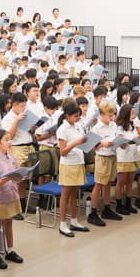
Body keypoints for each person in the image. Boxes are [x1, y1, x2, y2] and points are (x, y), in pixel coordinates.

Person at [0, 129, 24, 267]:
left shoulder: (12, 157)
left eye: (10, 139)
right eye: (6, 140)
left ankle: (10, 250)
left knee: (9, 222)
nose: (10, 142)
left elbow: (17, 174)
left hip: (12, 194)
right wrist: (10, 177)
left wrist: (21, 175)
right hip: (0, 197)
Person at [55, 100, 89, 237]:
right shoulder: (62, 129)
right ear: (67, 116)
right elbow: (62, 151)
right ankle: (63, 223)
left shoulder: (77, 126)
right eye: (75, 116)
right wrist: (76, 143)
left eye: (78, 116)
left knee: (75, 193)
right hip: (68, 164)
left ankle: (74, 221)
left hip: (78, 161)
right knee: (65, 194)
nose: (77, 118)